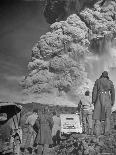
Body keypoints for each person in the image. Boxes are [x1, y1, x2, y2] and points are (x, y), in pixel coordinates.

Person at [92, 71, 115, 136]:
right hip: (107, 98)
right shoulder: (110, 82)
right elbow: (113, 93)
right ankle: (106, 132)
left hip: (99, 98)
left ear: (102, 75)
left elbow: (94, 91)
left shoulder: (97, 81)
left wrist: (94, 100)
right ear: (107, 76)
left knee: (97, 116)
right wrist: (112, 101)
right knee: (107, 116)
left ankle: (97, 132)